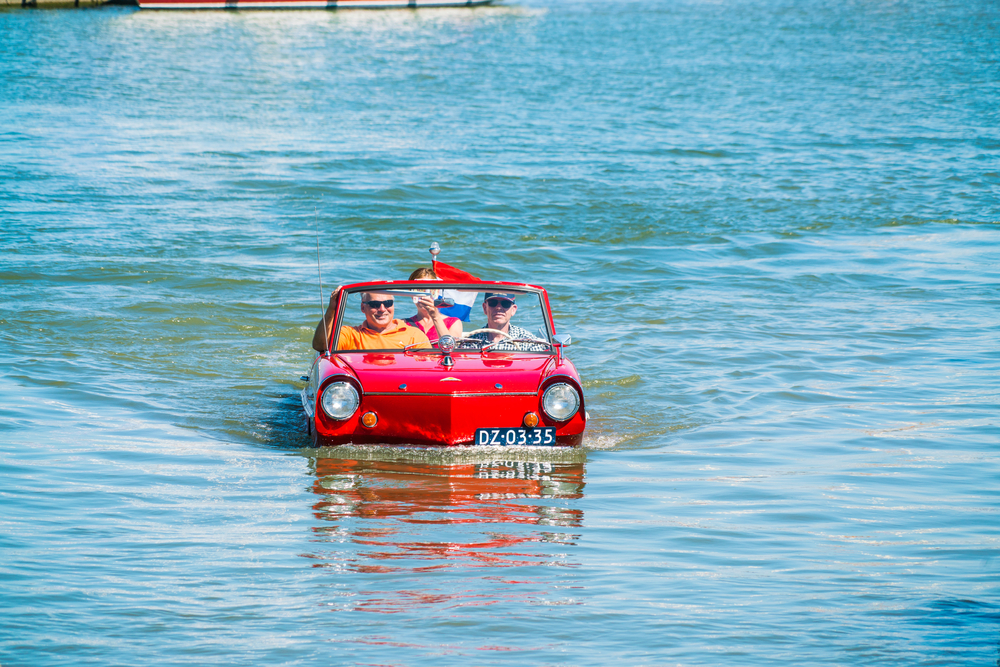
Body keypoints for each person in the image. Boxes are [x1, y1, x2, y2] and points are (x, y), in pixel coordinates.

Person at [335, 291, 431, 351]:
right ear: (362, 307)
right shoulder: (350, 335)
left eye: (387, 303)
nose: (382, 309)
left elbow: (426, 367)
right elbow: (322, 345)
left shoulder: (414, 336)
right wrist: (332, 308)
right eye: (375, 304)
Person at [468, 293, 548, 351]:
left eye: (505, 304)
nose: (498, 307)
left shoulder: (528, 343)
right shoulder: (470, 343)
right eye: (493, 303)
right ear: (485, 308)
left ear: (513, 310)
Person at [403, 267, 463, 343]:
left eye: (428, 290)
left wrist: (435, 317)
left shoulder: (453, 323)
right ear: (410, 293)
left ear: (437, 292)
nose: (423, 296)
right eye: (418, 290)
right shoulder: (404, 324)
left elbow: (450, 349)